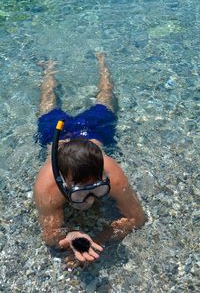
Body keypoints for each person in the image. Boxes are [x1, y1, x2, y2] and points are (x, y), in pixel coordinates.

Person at [34, 53, 146, 267]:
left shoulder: (112, 174)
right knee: (47, 98)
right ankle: (49, 68)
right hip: (54, 133)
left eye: (97, 189)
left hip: (93, 130)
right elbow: (49, 234)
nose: (91, 199)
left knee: (107, 95)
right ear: (64, 182)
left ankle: (102, 60)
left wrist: (100, 239)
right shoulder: (47, 187)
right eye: (81, 192)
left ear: (102, 173)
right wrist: (71, 235)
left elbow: (138, 218)